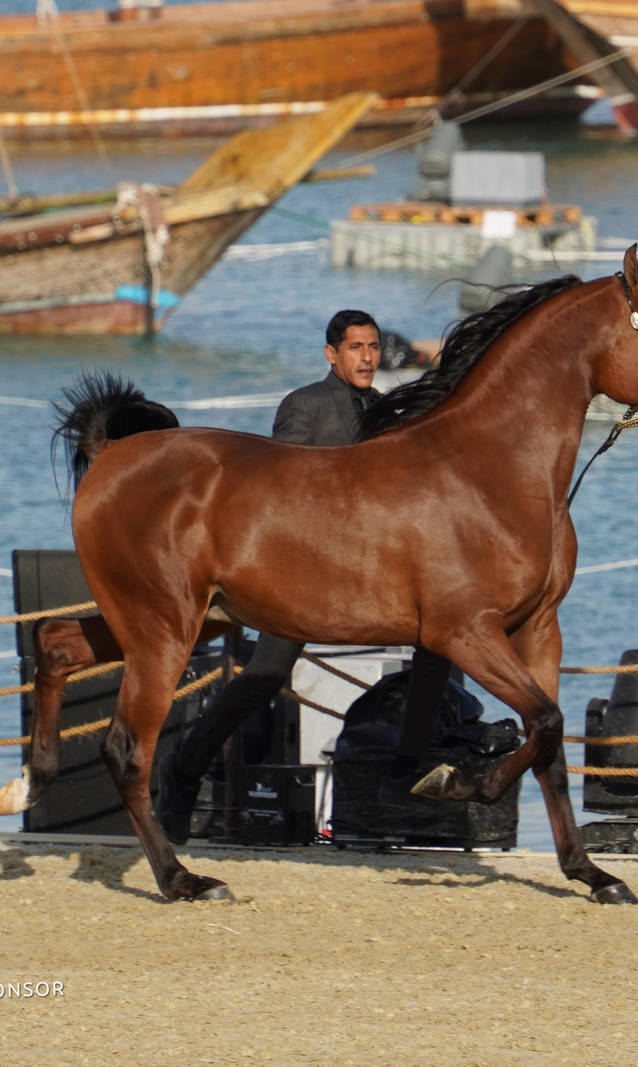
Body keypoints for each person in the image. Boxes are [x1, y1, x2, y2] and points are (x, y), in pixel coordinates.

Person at [158, 309, 451, 844]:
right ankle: (182, 771)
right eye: (357, 348)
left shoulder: (387, 410)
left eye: (372, 347)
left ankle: (403, 776)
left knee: (438, 644)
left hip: (369, 571)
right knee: (266, 675)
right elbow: (279, 488)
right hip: (302, 571)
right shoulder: (304, 406)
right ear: (331, 355)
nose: (368, 357)